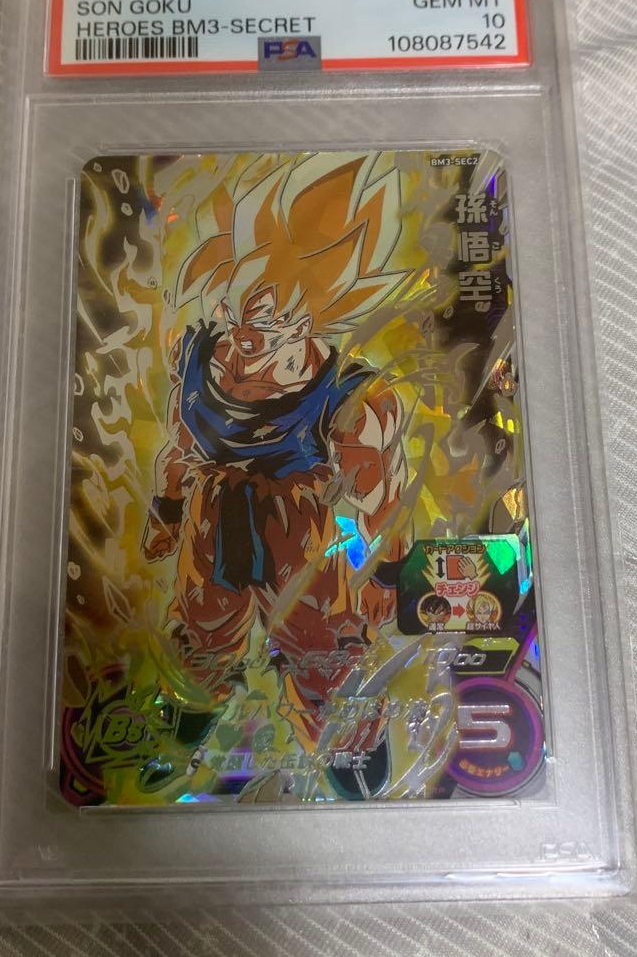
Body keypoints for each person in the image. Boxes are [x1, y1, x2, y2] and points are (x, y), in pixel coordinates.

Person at [141, 152, 410, 798]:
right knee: (200, 635)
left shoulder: (348, 394)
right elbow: (180, 447)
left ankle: (346, 738)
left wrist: (390, 573)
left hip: (300, 533)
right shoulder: (197, 354)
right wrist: (167, 511)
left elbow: (381, 493)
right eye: (238, 302)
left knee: (323, 644)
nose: (244, 329)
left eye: (267, 311)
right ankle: (182, 727)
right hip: (211, 522)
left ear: (311, 307)